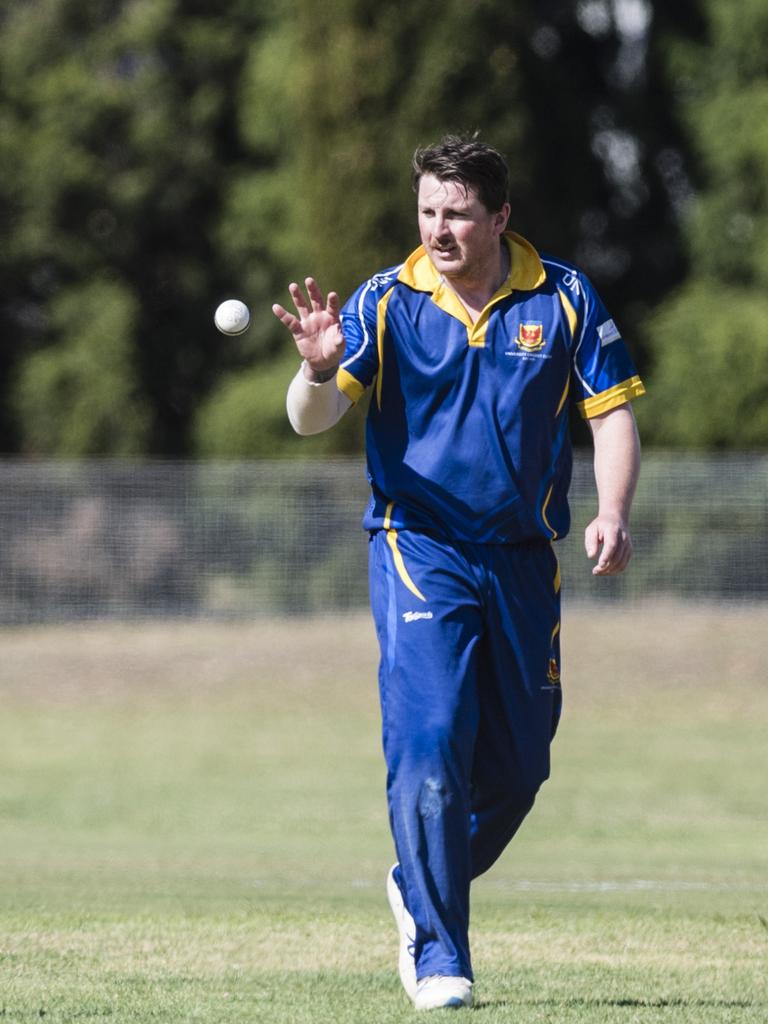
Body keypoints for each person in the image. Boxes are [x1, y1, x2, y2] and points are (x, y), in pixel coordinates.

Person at [273, 134, 643, 1011]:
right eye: (428, 212)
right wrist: (317, 369)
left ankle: (418, 878)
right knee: (433, 738)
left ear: (501, 217)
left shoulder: (564, 297)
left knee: (520, 768)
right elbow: (311, 418)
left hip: (521, 559)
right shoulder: (387, 298)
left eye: (459, 214)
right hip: (419, 548)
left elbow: (613, 416)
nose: (440, 230)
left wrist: (614, 510)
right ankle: (441, 952)